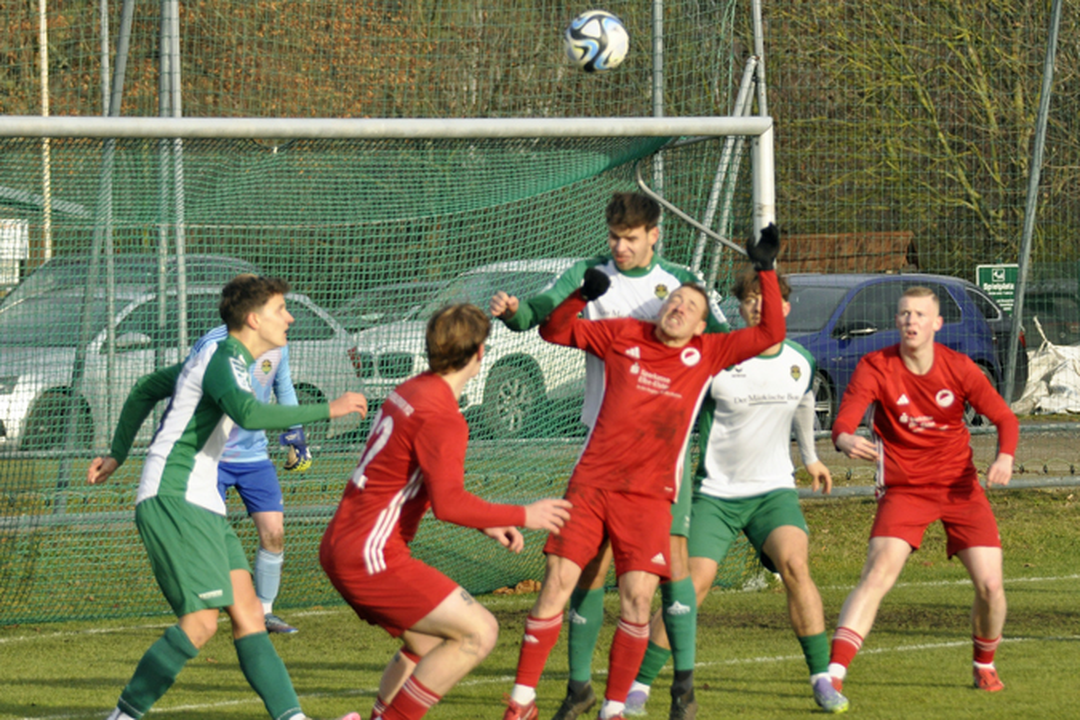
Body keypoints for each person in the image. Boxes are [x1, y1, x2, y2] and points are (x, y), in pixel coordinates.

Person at [502, 225, 783, 720]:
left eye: (690, 308)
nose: (677, 309)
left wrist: (765, 270)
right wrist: (579, 297)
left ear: (701, 327)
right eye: (673, 302)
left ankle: (614, 707)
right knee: (557, 583)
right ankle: (521, 701)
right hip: (591, 486)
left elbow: (770, 334)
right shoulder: (623, 334)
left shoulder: (709, 353)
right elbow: (555, 330)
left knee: (636, 600)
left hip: (650, 498)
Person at [87, 275, 369, 720]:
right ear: (254, 319)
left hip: (202, 501)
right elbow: (247, 412)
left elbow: (146, 388)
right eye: (281, 309)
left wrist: (117, 454)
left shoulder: (236, 358)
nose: (290, 318)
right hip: (174, 496)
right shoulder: (221, 356)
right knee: (200, 624)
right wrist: (327, 409)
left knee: (250, 615)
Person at [319, 303, 573, 720]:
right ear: (480, 352)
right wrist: (524, 513)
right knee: (480, 632)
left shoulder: (413, 388)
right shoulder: (444, 417)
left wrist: (492, 524)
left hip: (344, 541)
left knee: (427, 646)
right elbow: (449, 504)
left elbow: (429, 485)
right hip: (371, 555)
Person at [623, 268, 849, 717]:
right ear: (741, 309)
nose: (759, 306)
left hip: (773, 494)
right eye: (749, 299)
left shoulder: (800, 359)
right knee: (692, 585)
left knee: (795, 565)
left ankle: (822, 679)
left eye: (767, 299)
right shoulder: (719, 360)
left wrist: (810, 458)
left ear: (785, 308)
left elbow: (803, 401)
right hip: (717, 495)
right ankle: (639, 685)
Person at [826, 286, 1018, 702]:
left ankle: (984, 666)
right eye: (904, 313)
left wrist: (1004, 457)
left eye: (919, 314)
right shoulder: (876, 365)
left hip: (960, 489)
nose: (910, 320)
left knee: (991, 587)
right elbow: (844, 422)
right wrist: (843, 438)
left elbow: (1005, 418)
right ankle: (833, 674)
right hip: (905, 490)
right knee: (877, 574)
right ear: (897, 321)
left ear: (936, 324)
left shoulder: (960, 367)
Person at [190, 323, 312, 634]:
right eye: (276, 307)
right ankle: (205, 608)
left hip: (254, 457)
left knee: (274, 532)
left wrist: (295, 439)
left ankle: (265, 612)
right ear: (253, 312)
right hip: (210, 456)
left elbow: (283, 388)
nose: (286, 316)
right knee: (210, 536)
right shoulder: (213, 344)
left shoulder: (277, 345)